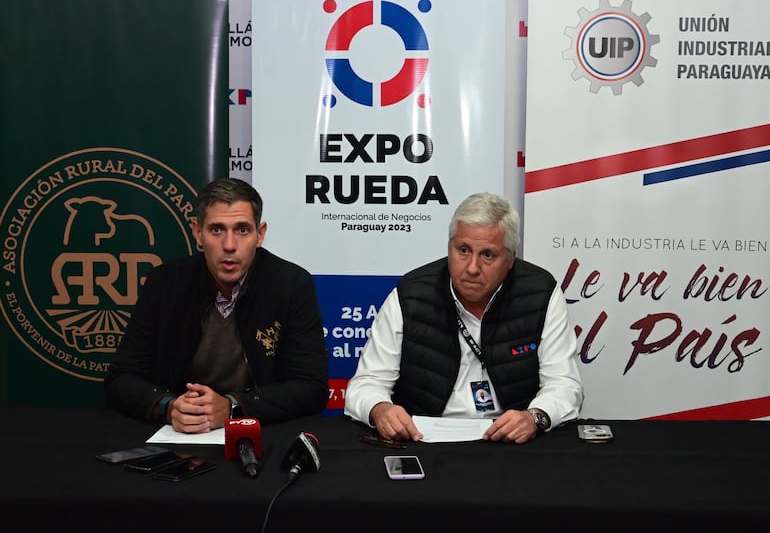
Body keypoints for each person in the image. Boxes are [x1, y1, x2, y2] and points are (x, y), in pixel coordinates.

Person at [344, 192, 583, 444]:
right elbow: (366, 384)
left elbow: (564, 383)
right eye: (463, 250)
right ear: (449, 247)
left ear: (511, 258)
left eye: (488, 255)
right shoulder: (411, 295)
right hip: (423, 438)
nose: (471, 268)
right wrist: (379, 409)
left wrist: (535, 417)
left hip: (509, 441)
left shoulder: (540, 293)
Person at [105, 179, 328, 433]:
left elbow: (311, 387)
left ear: (260, 234)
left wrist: (233, 406)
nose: (229, 245)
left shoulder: (291, 284)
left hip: (259, 434)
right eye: (217, 230)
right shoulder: (165, 282)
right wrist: (169, 406)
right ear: (198, 232)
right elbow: (120, 378)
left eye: (242, 230)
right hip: (179, 433)